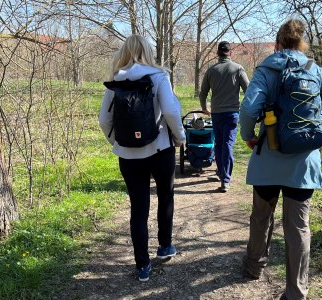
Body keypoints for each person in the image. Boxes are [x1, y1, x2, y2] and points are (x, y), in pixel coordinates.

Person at [239, 19, 322, 300]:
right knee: (298, 227)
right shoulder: (316, 71)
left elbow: (248, 108)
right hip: (303, 164)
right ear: (302, 44)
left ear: (277, 44)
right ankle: (296, 292)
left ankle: (254, 266)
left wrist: (249, 135)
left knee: (261, 217)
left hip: (268, 159)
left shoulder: (266, 70)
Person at [99, 35, 186, 282]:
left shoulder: (116, 80)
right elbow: (170, 110)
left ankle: (142, 266)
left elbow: (104, 120)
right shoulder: (159, 76)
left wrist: (117, 142)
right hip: (160, 149)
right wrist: (180, 137)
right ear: (148, 52)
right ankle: (165, 246)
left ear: (124, 52)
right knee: (165, 195)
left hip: (128, 154)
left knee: (138, 208)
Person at [199, 41, 250, 192]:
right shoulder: (238, 69)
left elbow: (203, 93)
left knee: (220, 143)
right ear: (230, 53)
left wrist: (204, 108)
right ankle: (225, 179)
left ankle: (222, 173)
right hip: (232, 113)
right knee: (227, 144)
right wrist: (247, 107)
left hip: (216, 113)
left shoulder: (211, 70)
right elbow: (249, 90)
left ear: (217, 53)